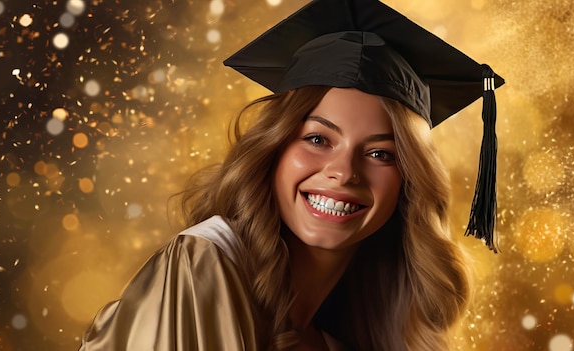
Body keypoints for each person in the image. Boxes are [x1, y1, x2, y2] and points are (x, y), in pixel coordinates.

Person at [79, 0, 504, 350]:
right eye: (318, 140)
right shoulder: (202, 265)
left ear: (408, 183)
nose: (343, 172)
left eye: (379, 153)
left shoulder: (345, 340)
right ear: (273, 150)